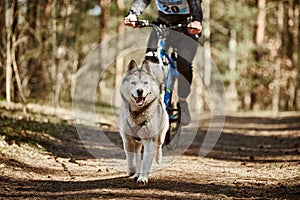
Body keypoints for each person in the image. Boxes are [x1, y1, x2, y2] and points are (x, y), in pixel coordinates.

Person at [124, 0, 203, 126]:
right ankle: (145, 104)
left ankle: (182, 102)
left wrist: (197, 20)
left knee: (183, 64)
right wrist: (133, 13)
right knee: (149, 62)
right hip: (162, 26)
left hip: (187, 28)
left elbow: (195, 4)